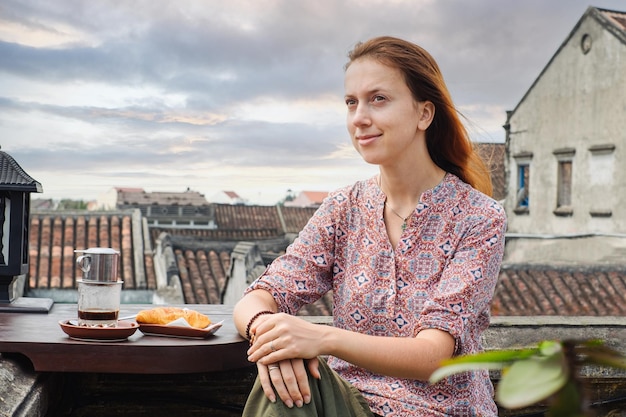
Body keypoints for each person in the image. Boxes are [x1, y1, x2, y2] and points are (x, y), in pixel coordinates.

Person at [233, 35, 507, 417]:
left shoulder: (478, 218)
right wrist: (274, 340)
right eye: (351, 102)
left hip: (440, 410)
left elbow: (432, 355)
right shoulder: (343, 208)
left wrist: (319, 338)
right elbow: (257, 297)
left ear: (424, 114)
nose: (359, 117)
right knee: (288, 385)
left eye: (378, 99)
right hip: (350, 404)